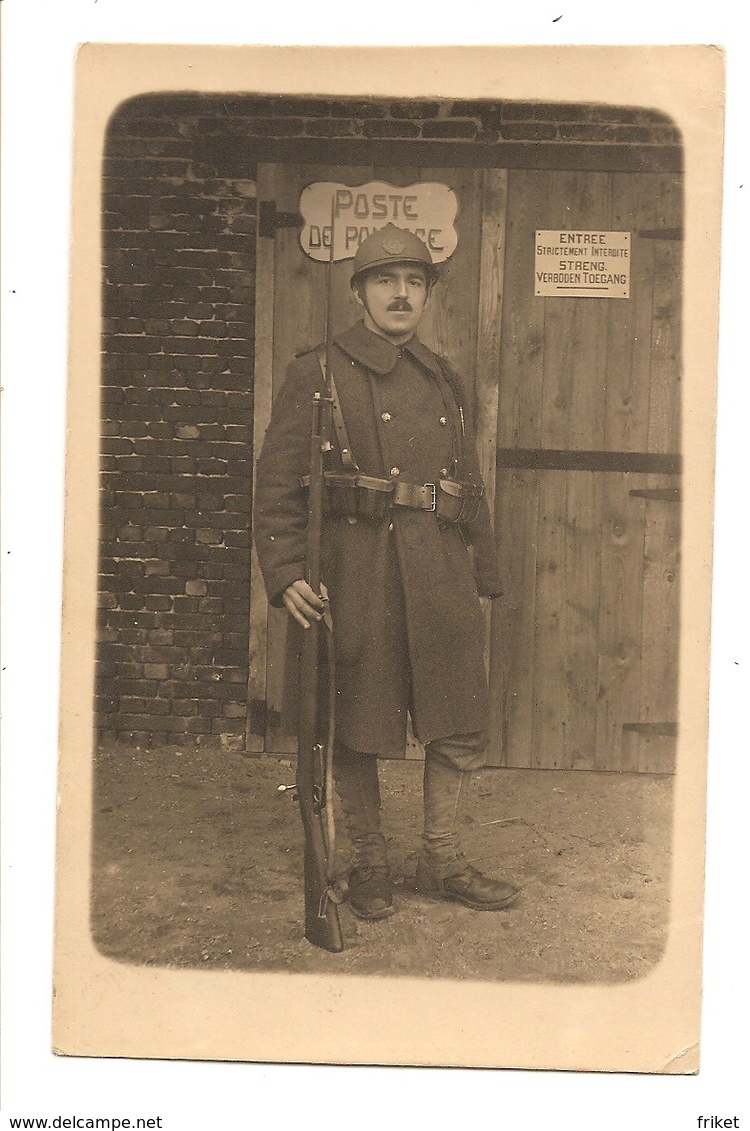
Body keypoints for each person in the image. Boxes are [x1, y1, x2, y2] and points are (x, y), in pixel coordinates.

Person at [254, 223, 520, 921]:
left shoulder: (443, 375)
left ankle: (441, 857)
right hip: (356, 569)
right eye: (384, 281)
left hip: (437, 566)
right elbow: (277, 481)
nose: (400, 294)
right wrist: (284, 573)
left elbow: (467, 480)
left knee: (457, 718)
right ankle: (369, 860)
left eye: (414, 282)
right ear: (358, 292)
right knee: (355, 721)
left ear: (428, 293)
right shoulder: (316, 370)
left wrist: (482, 569)